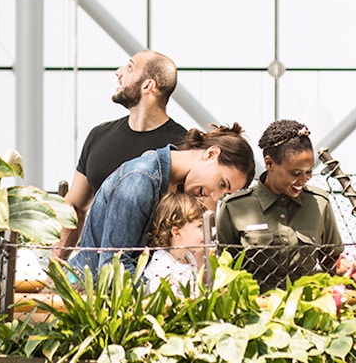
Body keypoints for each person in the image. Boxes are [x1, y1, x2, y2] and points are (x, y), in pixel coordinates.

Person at [68, 122, 256, 278]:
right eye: (222, 184)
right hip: (87, 297)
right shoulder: (140, 180)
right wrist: (163, 298)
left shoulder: (182, 188)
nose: (215, 196)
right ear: (210, 154)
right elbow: (113, 267)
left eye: (224, 194)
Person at [54, 50, 187, 260]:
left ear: (148, 85)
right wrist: (55, 271)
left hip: (153, 280)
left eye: (130, 67)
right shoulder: (99, 135)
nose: (119, 72)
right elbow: (75, 208)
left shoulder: (182, 147)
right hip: (93, 273)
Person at [216, 120, 346, 292]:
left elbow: (332, 259)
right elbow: (222, 267)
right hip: (253, 311)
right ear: (269, 164)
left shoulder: (319, 204)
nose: (305, 179)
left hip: (306, 309)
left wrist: (355, 272)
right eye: (296, 173)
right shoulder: (234, 207)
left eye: (309, 171)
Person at [143, 192, 208, 297]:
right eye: (200, 226)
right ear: (177, 233)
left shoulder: (188, 257)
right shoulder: (161, 264)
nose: (205, 232)